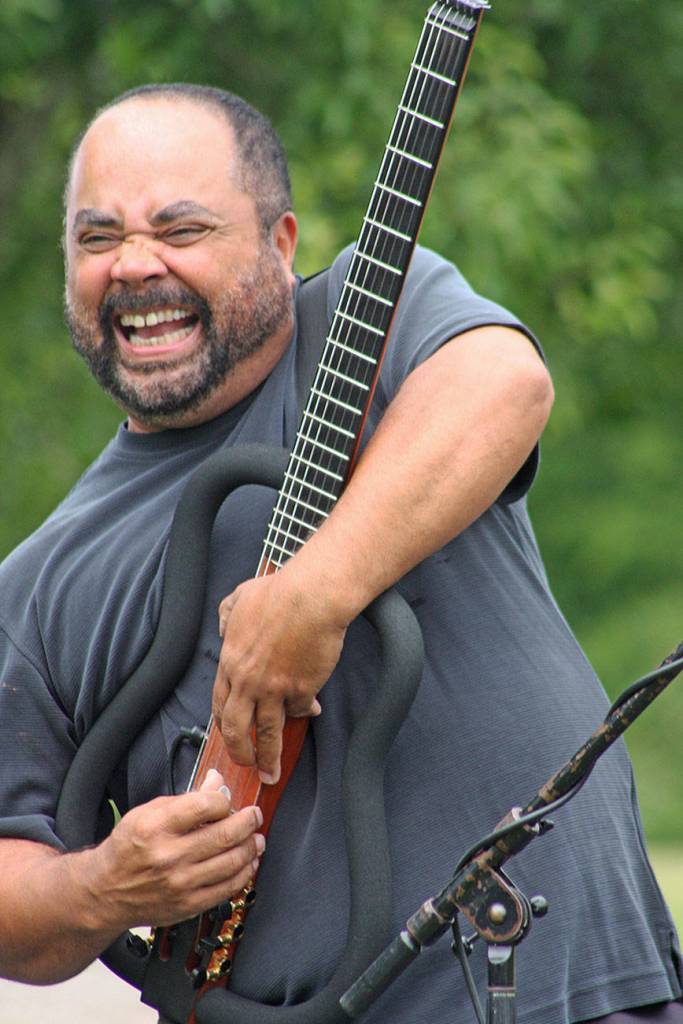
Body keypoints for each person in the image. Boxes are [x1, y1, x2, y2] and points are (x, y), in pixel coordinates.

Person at [0, 83, 680, 1024]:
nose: (136, 264)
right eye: (98, 237)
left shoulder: (372, 318)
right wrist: (106, 886)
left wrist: (310, 598)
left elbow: (503, 381)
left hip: (582, 993)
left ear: (279, 244)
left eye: (182, 229)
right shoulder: (37, 582)